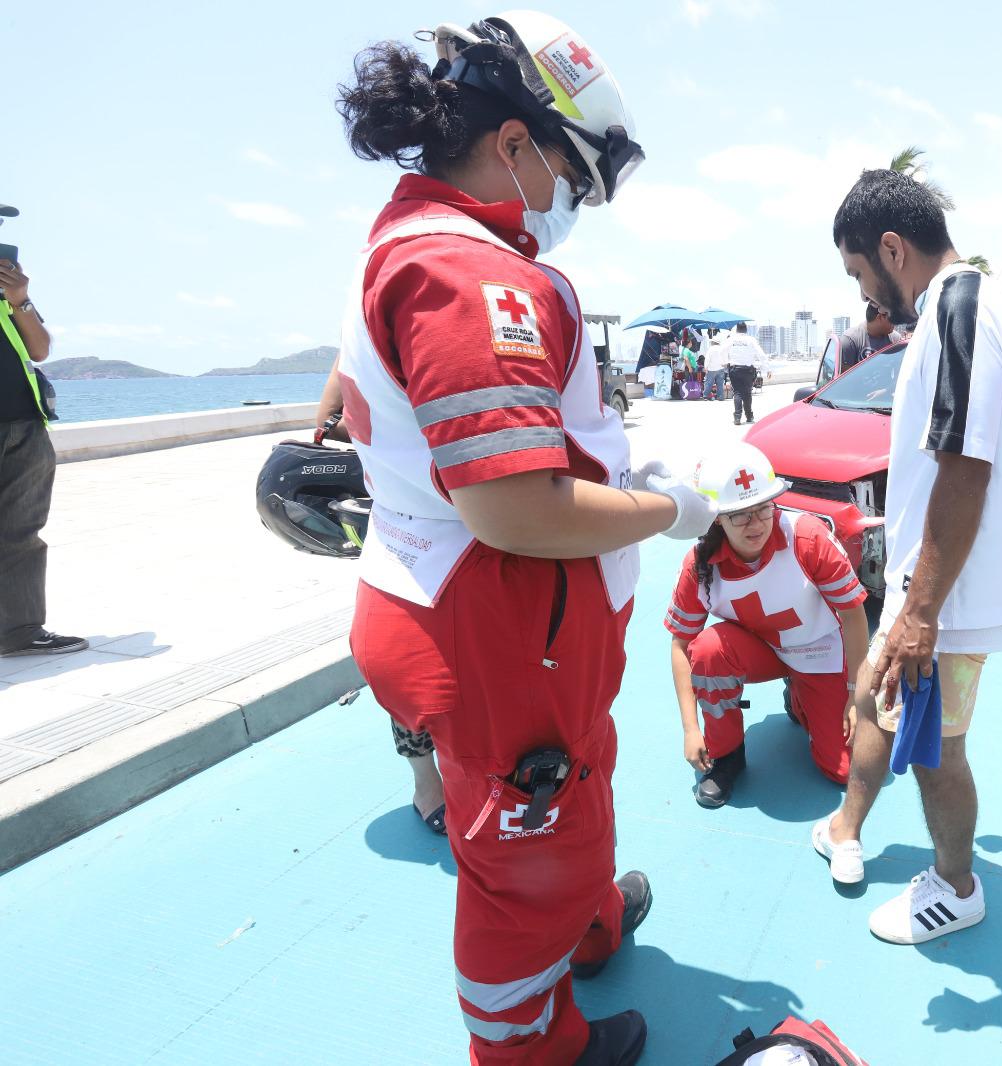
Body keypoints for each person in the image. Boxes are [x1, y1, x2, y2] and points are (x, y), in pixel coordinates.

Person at [334, 14, 716, 1065]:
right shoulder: (473, 277)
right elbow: (515, 508)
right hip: (497, 621)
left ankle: (584, 924)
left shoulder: (407, 242)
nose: (575, 205)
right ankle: (527, 1043)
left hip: (494, 617)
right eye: (574, 177)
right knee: (525, 845)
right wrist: (670, 509)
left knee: (567, 787)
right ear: (513, 144)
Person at [818, 169, 1002, 944]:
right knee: (883, 703)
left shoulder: (960, 303)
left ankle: (956, 887)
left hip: (945, 597)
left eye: (861, 272)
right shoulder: (985, 306)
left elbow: (965, 462)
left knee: (934, 747)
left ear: (893, 248)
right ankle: (848, 822)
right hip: (937, 585)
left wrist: (920, 612)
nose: (867, 296)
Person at [665, 443, 868, 808]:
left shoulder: (807, 538)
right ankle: (726, 757)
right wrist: (690, 728)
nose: (755, 524)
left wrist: (856, 694)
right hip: (760, 649)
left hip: (818, 649)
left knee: (844, 770)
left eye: (763, 508)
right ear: (717, 518)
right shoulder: (700, 565)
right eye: (739, 515)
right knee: (708, 650)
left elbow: (854, 616)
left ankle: (803, 697)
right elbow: (681, 645)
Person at [312, 366, 448, 836]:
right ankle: (426, 784)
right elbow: (329, 420)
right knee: (407, 674)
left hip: (476, 528)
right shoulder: (368, 336)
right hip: (407, 539)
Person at [0, 255, 86, 658]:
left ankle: (20, 630)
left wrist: (20, 298)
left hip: (24, 426)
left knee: (21, 532)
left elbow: (39, 349)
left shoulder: (7, 296)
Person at [835, 301, 902, 376]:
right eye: (894, 317)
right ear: (880, 317)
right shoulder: (850, 340)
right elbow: (843, 380)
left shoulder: (896, 340)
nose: (897, 322)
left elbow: (900, 374)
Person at [722, 322, 769, 426]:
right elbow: (761, 354)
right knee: (747, 393)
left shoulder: (731, 339)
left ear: (737, 329)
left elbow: (722, 350)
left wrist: (725, 362)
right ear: (746, 330)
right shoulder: (751, 340)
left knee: (737, 393)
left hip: (735, 369)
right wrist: (767, 369)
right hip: (748, 370)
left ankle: (737, 417)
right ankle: (749, 416)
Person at [700, 327, 728, 400]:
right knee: (720, 384)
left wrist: (705, 367)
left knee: (709, 383)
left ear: (712, 342)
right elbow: (725, 358)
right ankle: (720, 397)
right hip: (720, 368)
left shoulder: (711, 349)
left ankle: (705, 396)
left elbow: (707, 359)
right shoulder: (722, 348)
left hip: (711, 369)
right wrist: (724, 364)